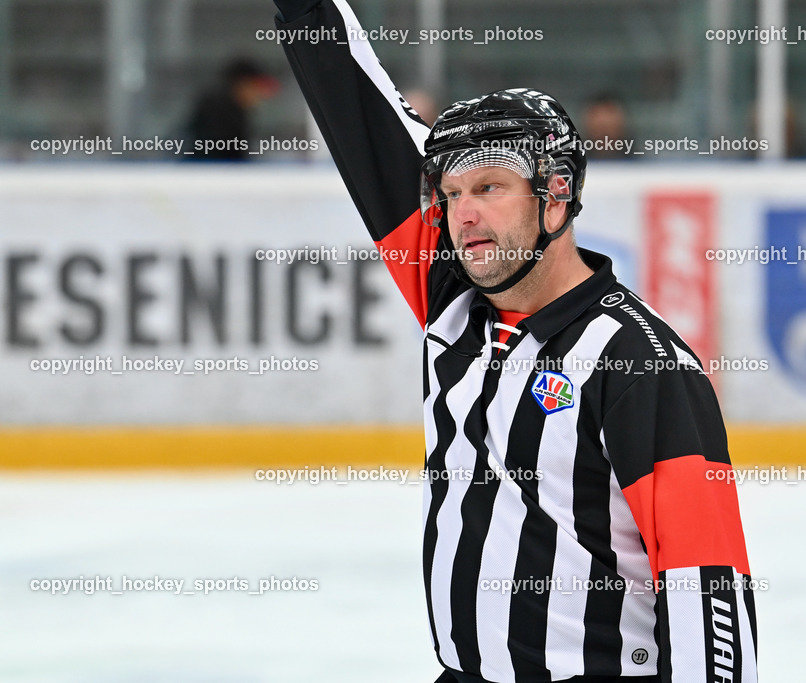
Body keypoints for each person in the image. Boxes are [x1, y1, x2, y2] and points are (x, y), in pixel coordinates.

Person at [272, 2, 757, 681]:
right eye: (451, 192)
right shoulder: (452, 300)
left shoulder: (638, 363)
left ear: (555, 196)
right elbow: (350, 93)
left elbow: (707, 582)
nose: (462, 212)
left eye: (491, 187)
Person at [183, 57, 279, 161]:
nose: (260, 95)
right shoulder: (219, 112)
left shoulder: (232, 110)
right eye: (256, 87)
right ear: (242, 85)